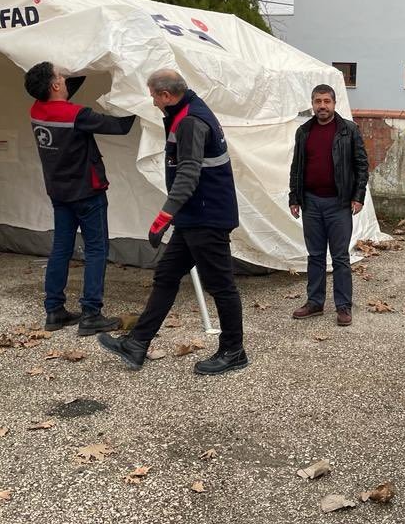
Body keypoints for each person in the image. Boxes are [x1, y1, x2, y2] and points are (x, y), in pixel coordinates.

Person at [98, 69, 247, 375]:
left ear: (166, 95)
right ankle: (137, 343)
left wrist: (164, 216)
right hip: (195, 216)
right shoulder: (187, 110)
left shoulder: (191, 121)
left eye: (153, 95)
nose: (152, 101)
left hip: (207, 216)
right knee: (166, 275)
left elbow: (189, 173)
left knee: (221, 286)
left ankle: (234, 351)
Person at [25, 62, 135, 336]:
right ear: (55, 85)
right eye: (61, 76)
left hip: (59, 192)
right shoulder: (77, 115)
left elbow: (64, 94)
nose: (65, 78)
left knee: (61, 249)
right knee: (96, 250)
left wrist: (75, 65)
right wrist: (139, 102)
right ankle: (91, 314)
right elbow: (121, 127)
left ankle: (54, 310)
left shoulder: (37, 110)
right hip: (87, 192)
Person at [288, 84, 369, 326]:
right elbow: (296, 167)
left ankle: (343, 306)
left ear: (334, 104)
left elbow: (361, 165)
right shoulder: (303, 131)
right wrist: (294, 197)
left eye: (326, 101)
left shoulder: (349, 131)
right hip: (311, 202)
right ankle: (315, 302)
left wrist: (358, 196)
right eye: (318, 101)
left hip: (339, 203)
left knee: (340, 257)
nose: (322, 106)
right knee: (314, 255)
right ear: (312, 104)